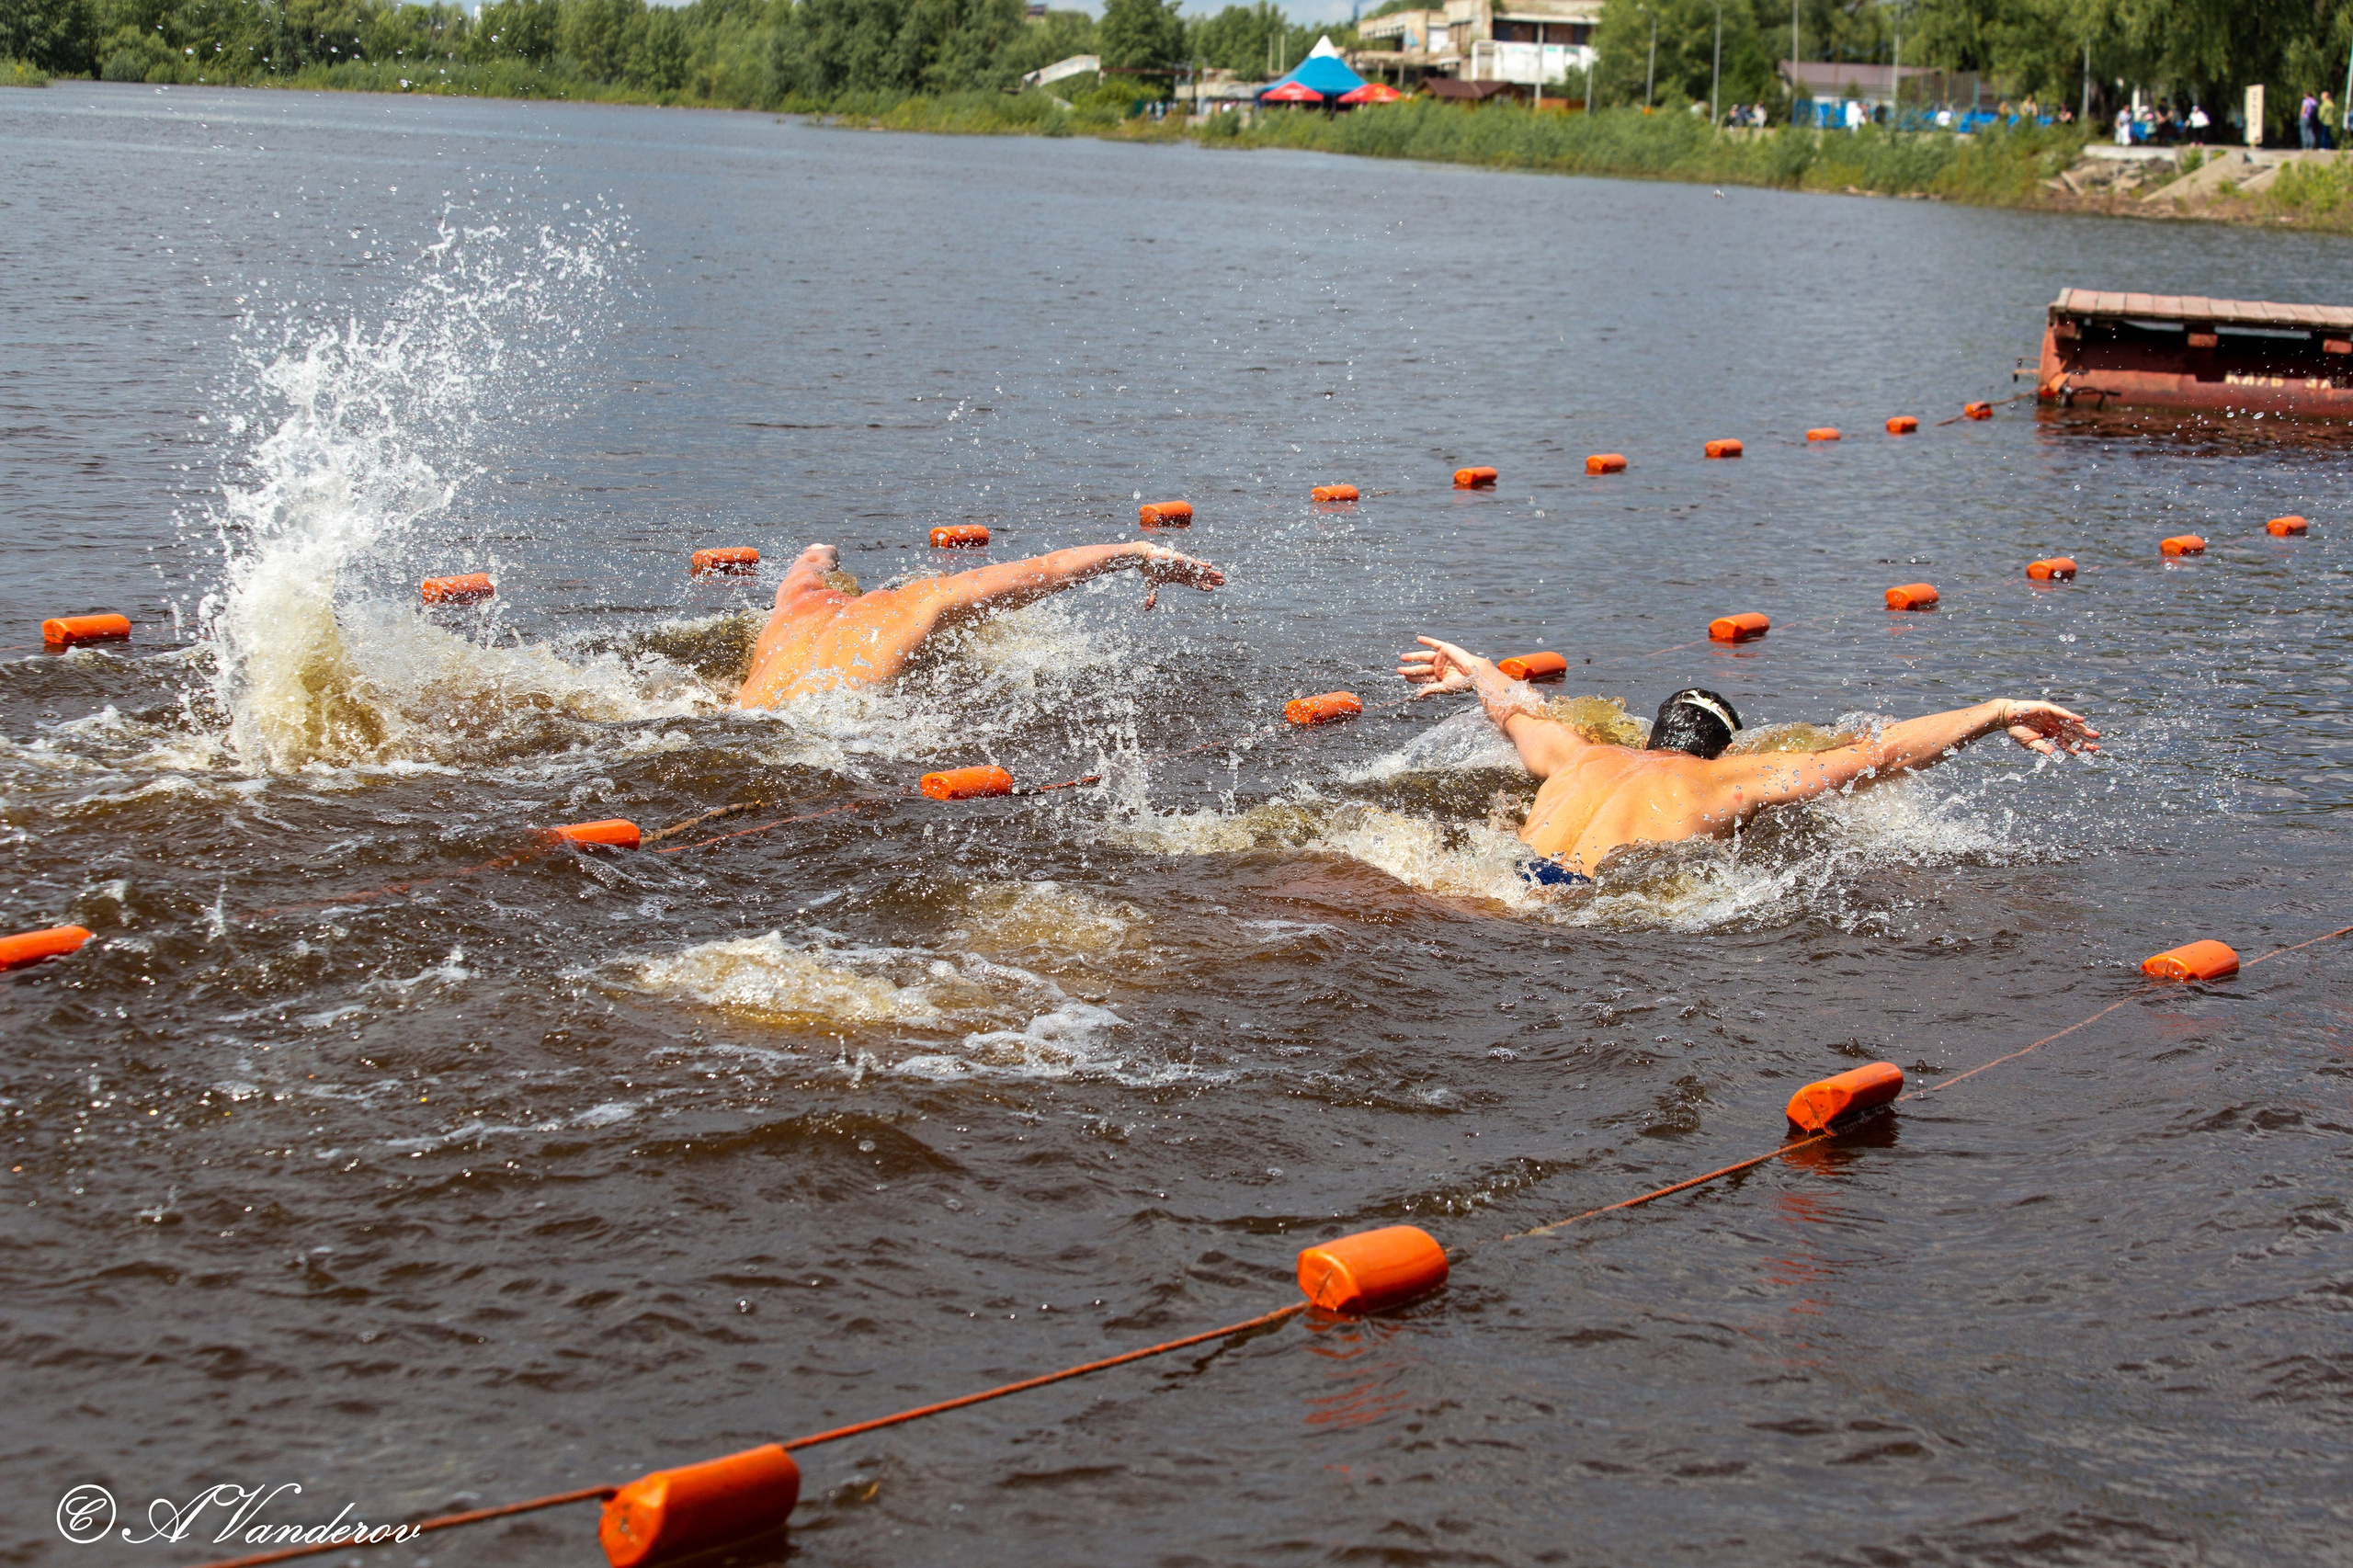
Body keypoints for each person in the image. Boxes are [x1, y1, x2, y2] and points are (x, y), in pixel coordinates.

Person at [1396, 637, 2099, 885]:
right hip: (1582, 905)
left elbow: (1516, 711)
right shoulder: (1733, 777)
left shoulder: (1581, 754)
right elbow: (1879, 755)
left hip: (1498, 876)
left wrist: (1478, 667)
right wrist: (1997, 711)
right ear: (1725, 748)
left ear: (1649, 739)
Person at [737, 540, 1224, 707]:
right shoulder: (916, 603)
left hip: (743, 715)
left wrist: (824, 553)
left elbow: (810, 562)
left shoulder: (794, 605)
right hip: (835, 723)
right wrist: (1138, 554)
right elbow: (1043, 572)